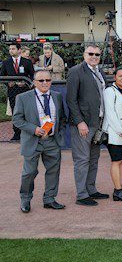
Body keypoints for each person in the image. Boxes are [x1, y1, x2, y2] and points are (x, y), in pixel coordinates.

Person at [13, 70, 66, 212]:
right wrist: (34, 129)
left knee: (53, 171)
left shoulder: (57, 96)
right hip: (32, 141)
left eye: (48, 80)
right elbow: (17, 119)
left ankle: (49, 199)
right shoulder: (23, 97)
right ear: (34, 82)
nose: (45, 83)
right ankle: (25, 199)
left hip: (52, 142)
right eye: (41, 80)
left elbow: (62, 118)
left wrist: (58, 133)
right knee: (29, 172)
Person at [66, 44, 109, 206]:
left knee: (94, 158)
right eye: (91, 54)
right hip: (83, 124)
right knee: (82, 159)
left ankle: (91, 189)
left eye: (97, 54)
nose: (94, 57)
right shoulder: (76, 71)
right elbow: (71, 99)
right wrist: (79, 122)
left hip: (97, 122)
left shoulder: (99, 71)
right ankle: (82, 194)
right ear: (84, 55)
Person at [102, 67, 122, 202]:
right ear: (115, 77)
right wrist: (120, 130)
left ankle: (118, 188)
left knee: (120, 161)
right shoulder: (109, 92)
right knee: (116, 161)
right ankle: (118, 191)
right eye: (120, 76)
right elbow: (110, 114)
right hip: (113, 133)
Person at [1, 42, 35, 141]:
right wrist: (8, 83)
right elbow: (2, 76)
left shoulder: (27, 62)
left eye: (13, 49)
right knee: (15, 112)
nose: (11, 50)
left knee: (26, 112)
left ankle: (28, 132)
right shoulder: (6, 62)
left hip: (25, 91)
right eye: (10, 49)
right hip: (12, 92)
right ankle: (17, 133)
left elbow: (32, 75)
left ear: (19, 50)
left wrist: (25, 83)